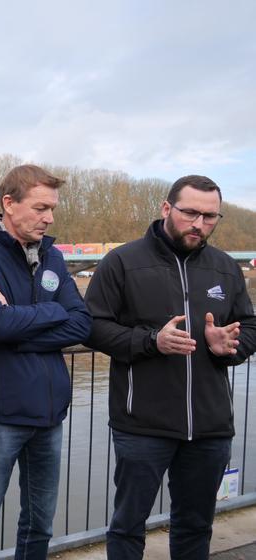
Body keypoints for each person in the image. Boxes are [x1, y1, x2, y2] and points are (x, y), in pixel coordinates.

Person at [84, 175, 256, 560]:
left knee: (196, 526)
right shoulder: (122, 262)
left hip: (211, 427)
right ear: (166, 208)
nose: (199, 224)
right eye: (190, 212)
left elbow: (250, 325)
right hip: (142, 424)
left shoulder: (226, 268)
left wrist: (229, 345)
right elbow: (93, 327)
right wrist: (151, 341)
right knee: (128, 527)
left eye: (210, 216)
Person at [0, 164, 92, 560]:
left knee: (39, 525)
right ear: (9, 204)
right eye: (40, 207)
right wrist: (50, 314)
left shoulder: (52, 256)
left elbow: (81, 324)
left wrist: (19, 324)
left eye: (53, 209)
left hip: (50, 415)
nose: (49, 218)